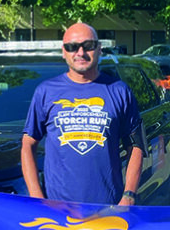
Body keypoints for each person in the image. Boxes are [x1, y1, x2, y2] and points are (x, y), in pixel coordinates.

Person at [21, 23, 144, 205]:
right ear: (64, 52)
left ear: (99, 49)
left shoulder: (120, 91)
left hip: (108, 208)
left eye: (88, 46)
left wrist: (129, 195)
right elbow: (27, 145)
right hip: (58, 211)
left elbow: (137, 146)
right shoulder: (45, 92)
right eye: (72, 47)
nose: (80, 52)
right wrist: (37, 198)